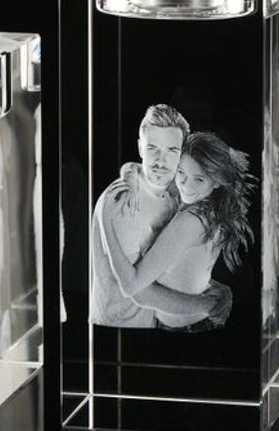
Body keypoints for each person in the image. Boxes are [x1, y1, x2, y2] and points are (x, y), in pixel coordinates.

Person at [89, 105, 227, 328]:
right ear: (140, 148)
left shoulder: (173, 189)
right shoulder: (125, 203)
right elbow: (138, 291)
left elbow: (164, 269)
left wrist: (214, 288)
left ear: (182, 154)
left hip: (149, 325)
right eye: (152, 148)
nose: (161, 161)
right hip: (123, 328)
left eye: (171, 151)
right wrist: (209, 304)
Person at [101, 131, 254, 331]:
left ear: (217, 180)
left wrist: (106, 224)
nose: (185, 185)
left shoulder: (190, 221)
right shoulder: (212, 207)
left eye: (198, 179)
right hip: (196, 322)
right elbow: (186, 273)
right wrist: (129, 175)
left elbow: (132, 288)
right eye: (181, 172)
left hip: (182, 328)